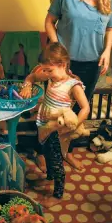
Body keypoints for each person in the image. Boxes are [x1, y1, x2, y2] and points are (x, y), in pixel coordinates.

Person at [43, 0, 112, 171]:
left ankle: (66, 152)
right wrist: (57, 49)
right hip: (64, 65)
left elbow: (111, 29)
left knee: (76, 113)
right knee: (54, 111)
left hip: (91, 64)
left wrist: (106, 51)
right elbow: (49, 22)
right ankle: (45, 153)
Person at [20, 42, 90, 208]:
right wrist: (27, 84)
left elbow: (85, 108)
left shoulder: (73, 85)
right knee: (46, 153)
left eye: (49, 70)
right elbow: (32, 76)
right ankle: (50, 177)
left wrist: (72, 126)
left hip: (57, 130)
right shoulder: (51, 76)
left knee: (56, 161)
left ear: (63, 65)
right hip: (43, 125)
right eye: (45, 70)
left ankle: (58, 195)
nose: (46, 73)